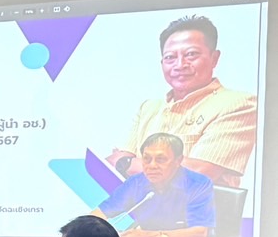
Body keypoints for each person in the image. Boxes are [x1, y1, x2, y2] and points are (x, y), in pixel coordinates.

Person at [110, 15, 257, 187]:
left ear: (214, 58)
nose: (180, 65)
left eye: (191, 54)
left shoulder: (240, 104)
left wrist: (126, 164)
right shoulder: (148, 108)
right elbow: (112, 162)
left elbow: (197, 174)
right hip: (135, 211)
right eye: (170, 57)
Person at [91, 133, 214, 237]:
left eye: (160, 159)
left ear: (178, 161)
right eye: (147, 159)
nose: (152, 165)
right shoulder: (136, 182)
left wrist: (147, 236)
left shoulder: (198, 183)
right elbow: (97, 214)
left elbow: (199, 233)